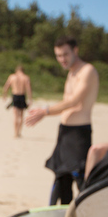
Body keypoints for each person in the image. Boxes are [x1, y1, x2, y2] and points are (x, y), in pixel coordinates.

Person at [26, 36, 99, 205]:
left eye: (65, 54)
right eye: (58, 55)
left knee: (80, 179)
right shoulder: (72, 73)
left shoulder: (87, 71)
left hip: (79, 134)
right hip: (65, 132)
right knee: (61, 178)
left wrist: (45, 111)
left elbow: (75, 101)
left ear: (76, 50)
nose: (62, 59)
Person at [2, 65, 32, 137]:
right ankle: (19, 132)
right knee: (21, 116)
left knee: (15, 115)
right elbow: (28, 89)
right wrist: (30, 99)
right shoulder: (25, 77)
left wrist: (4, 95)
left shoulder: (12, 77)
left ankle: (15, 133)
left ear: (16, 70)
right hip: (22, 96)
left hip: (15, 96)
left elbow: (6, 86)